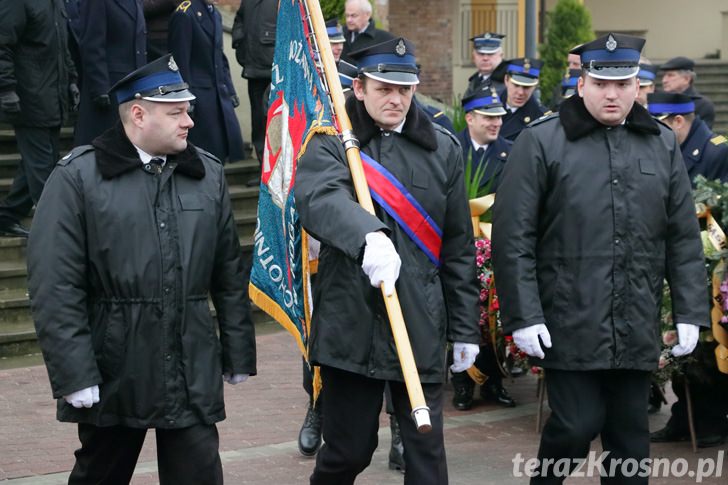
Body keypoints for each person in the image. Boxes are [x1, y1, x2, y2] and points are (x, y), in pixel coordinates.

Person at [26, 54, 257, 484]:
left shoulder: (205, 173)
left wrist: (238, 350)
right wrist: (74, 373)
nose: (188, 120)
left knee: (199, 474)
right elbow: (54, 286)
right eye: (176, 112)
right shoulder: (79, 177)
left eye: (188, 110)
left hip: (190, 363)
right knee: (102, 472)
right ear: (138, 114)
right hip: (116, 365)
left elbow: (227, 270)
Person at [492, 33, 707, 484]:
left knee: (630, 444)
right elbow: (513, 237)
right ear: (581, 83)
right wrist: (523, 315)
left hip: (634, 318)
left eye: (623, 84)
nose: (613, 94)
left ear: (637, 86)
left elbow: (682, 235)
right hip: (567, 318)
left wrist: (690, 310)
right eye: (601, 83)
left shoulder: (660, 142)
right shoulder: (542, 142)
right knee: (576, 424)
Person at [295, 37, 480, 484]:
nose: (396, 99)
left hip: (418, 319)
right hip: (351, 322)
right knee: (348, 452)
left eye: (405, 89)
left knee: (425, 455)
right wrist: (367, 235)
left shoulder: (443, 149)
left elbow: (457, 246)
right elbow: (318, 197)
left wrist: (465, 328)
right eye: (384, 88)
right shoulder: (332, 139)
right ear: (359, 88)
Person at [0, 0, 79, 238]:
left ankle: (7, 216)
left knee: (34, 164)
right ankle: (58, 232)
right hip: (28, 98)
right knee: (43, 169)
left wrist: (72, 79)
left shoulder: (56, 4)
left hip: (52, 98)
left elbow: (62, 47)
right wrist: (5, 88)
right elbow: (3, 45)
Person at [169, 0, 244, 164]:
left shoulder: (213, 13)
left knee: (221, 154)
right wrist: (186, 100)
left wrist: (230, 91)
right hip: (199, 96)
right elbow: (180, 63)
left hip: (218, 95)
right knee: (204, 155)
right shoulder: (185, 14)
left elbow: (219, 58)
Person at [74, 0, 147, 146]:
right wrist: (100, 88)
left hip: (133, 87)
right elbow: (92, 44)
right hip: (110, 87)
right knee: (104, 147)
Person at [232, 0, 278, 183]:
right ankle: (263, 173)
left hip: (273, 71)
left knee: (275, 123)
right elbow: (239, 20)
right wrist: (239, 41)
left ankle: (276, 174)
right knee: (259, 125)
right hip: (253, 70)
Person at [648, 92, 728, 184]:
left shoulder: (719, 150)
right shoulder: (661, 147)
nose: (652, 130)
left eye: (657, 124)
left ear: (678, 121)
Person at [456, 88, 512, 193]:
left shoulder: (511, 153)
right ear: (470, 119)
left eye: (499, 117)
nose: (497, 124)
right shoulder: (451, 150)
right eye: (489, 118)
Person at [659, 56, 715, 129]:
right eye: (664, 76)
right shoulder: (660, 102)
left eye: (670, 75)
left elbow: (702, 136)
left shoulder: (702, 105)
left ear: (686, 79)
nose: (664, 80)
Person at [499, 58, 547, 141]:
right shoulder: (488, 106)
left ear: (535, 86)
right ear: (506, 80)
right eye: (516, 85)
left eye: (526, 87)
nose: (521, 92)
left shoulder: (540, 118)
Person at [463, 32, 506, 98]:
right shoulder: (475, 80)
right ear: (473, 57)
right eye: (481, 54)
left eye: (490, 54)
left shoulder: (507, 80)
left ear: (501, 56)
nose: (485, 58)